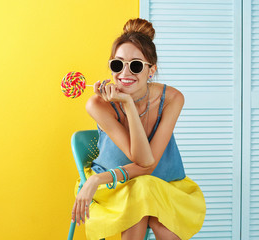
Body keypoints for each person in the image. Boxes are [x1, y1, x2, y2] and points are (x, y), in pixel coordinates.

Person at [71, 18, 206, 240]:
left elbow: (147, 164)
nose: (124, 73)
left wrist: (128, 104)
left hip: (164, 184)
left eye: (135, 65)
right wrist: (95, 180)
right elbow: (142, 162)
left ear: (151, 70)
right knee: (141, 194)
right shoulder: (97, 105)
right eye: (117, 64)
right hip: (115, 188)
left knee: (151, 203)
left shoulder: (173, 99)